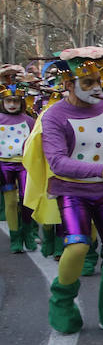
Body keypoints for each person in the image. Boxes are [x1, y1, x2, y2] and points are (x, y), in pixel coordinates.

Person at [24, 47, 103, 335]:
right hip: (73, 191)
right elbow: (57, 161)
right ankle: (62, 301)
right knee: (77, 245)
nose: (96, 88)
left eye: (99, 80)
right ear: (68, 83)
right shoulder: (53, 116)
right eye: (87, 82)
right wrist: (101, 170)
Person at [0, 85, 37, 253]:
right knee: (10, 202)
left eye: (15, 100)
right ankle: (15, 238)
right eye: (8, 100)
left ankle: (28, 234)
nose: (12, 104)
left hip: (24, 164)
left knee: (26, 200)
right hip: (4, 165)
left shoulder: (29, 121)